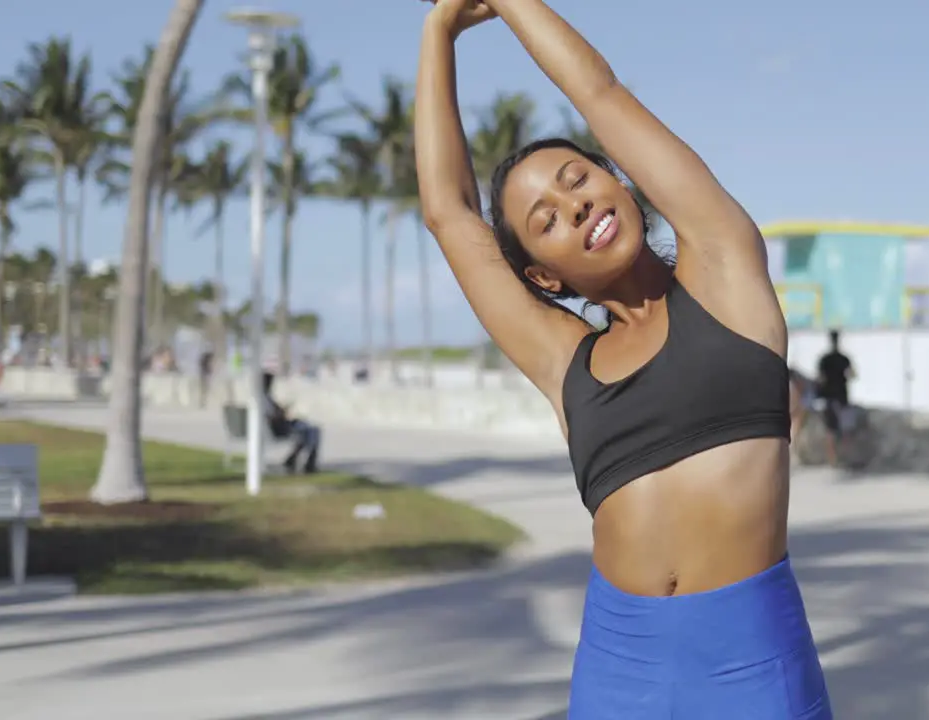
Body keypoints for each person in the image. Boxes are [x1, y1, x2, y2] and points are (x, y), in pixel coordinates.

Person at [415, 1, 832, 716]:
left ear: (620, 178)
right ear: (544, 277)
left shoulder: (725, 271)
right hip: (619, 667)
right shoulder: (566, 364)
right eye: (544, 220)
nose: (573, 208)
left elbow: (599, 94)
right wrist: (438, 29)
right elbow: (448, 215)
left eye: (578, 180)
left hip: (753, 662)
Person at [260, 371, 321, 474]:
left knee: (309, 430)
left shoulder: (266, 397)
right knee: (312, 431)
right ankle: (309, 463)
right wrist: (281, 414)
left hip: (280, 424)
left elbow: (276, 411)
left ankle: (293, 459)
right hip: (278, 428)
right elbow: (271, 416)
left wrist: (282, 410)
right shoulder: (263, 399)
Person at [816, 331, 855, 466]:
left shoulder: (824, 359)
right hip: (842, 397)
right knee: (846, 430)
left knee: (830, 431)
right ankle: (846, 457)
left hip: (828, 398)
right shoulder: (844, 359)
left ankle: (833, 460)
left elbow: (820, 379)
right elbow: (852, 375)